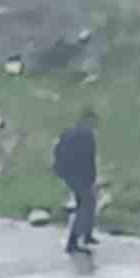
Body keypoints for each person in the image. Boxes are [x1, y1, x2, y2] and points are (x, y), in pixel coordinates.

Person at [53, 107, 99, 255]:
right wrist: (91, 177)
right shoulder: (87, 136)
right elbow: (89, 160)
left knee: (85, 204)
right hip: (81, 176)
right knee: (86, 206)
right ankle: (74, 241)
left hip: (69, 175)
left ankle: (85, 234)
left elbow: (57, 152)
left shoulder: (68, 133)